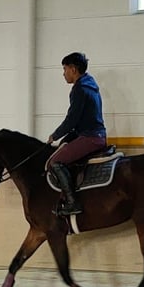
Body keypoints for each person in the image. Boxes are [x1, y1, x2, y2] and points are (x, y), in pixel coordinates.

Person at [47, 52, 107, 216]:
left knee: (55, 162)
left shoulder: (79, 89)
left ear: (73, 69)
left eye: (65, 69)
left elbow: (72, 119)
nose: (64, 73)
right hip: (95, 135)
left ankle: (73, 203)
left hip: (90, 137)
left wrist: (55, 135)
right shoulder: (90, 85)